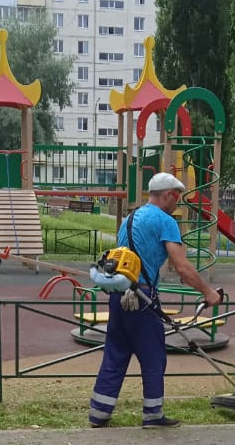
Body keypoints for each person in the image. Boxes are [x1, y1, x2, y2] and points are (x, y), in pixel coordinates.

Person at [88, 172, 222, 428]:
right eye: (177, 197)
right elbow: (182, 267)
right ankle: (152, 415)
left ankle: (99, 414)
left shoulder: (129, 219)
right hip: (142, 298)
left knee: (115, 355)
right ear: (168, 195)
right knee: (153, 357)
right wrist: (208, 292)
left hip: (118, 295)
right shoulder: (165, 221)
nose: (177, 203)